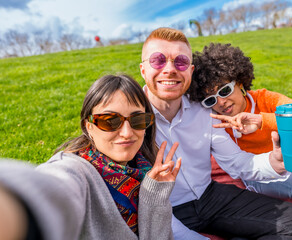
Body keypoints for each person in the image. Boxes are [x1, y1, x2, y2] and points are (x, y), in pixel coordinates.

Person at [139, 27, 292, 240]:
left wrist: (275, 161)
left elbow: (238, 163)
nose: (170, 69)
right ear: (143, 70)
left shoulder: (203, 110)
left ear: (190, 70)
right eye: (158, 60)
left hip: (210, 196)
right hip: (166, 210)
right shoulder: (132, 118)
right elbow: (143, 202)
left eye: (180, 62)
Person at [187, 42, 292, 239]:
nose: (220, 102)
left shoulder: (265, 99)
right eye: (210, 100)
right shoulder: (216, 122)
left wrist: (263, 120)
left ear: (240, 82)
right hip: (263, 171)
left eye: (224, 91)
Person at [0, 74, 181, 240]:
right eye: (110, 121)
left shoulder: (145, 170)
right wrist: (17, 203)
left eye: (138, 120)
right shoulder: (76, 170)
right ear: (89, 127)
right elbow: (54, 187)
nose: (127, 133)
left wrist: (156, 193)